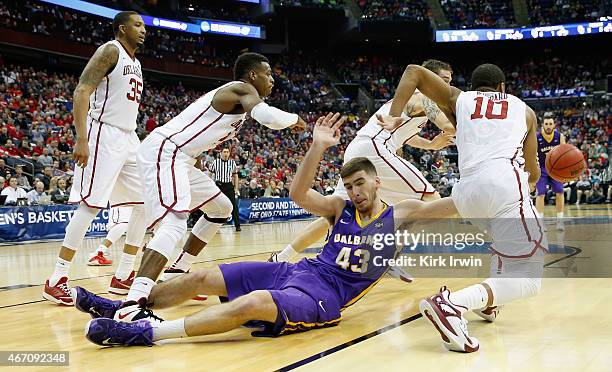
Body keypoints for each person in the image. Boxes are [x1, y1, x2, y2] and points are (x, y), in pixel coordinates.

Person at [74, 112, 458, 346]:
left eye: (362, 183)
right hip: (298, 271)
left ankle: (148, 333)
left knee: (253, 303)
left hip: (328, 296)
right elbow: (297, 193)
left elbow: (453, 205)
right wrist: (318, 147)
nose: (356, 191)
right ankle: (128, 308)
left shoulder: (402, 213)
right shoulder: (339, 207)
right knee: (202, 277)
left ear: (377, 182)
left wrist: (500, 184)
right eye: (351, 185)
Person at [105, 52, 306, 320]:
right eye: (268, 74)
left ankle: (179, 269)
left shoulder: (237, 101)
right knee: (174, 224)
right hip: (167, 151)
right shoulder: (241, 89)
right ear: (253, 75)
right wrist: (296, 119)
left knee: (222, 208)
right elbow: (268, 117)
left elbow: (200, 132)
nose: (272, 80)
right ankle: (133, 302)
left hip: (182, 158)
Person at [378, 63, 547, 352]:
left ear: (474, 86)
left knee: (504, 245)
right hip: (504, 185)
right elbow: (532, 172)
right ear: (503, 88)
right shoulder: (525, 111)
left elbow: (413, 72)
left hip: (466, 193)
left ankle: (489, 301)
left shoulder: (460, 98)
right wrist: (528, 186)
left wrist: (396, 118)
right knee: (529, 279)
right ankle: (452, 304)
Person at [270, 60, 455, 281]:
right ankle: (387, 257)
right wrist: (456, 125)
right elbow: (445, 122)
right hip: (375, 151)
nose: (447, 88)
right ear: (430, 79)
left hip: (359, 149)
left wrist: (432, 145)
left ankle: (281, 257)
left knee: (336, 213)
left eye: (450, 83)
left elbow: (405, 137)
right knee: (430, 199)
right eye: (444, 81)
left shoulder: (408, 102)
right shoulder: (422, 97)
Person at [43, 11, 148, 305]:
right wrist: (81, 137)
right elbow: (82, 91)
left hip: (129, 137)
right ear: (121, 28)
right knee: (90, 206)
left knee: (145, 203)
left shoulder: (136, 63)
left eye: (144, 26)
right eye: (137, 25)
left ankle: (124, 274)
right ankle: (56, 278)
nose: (143, 30)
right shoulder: (110, 50)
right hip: (103, 133)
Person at [535, 113, 566, 231]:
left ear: (554, 125)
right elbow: (533, 155)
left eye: (550, 124)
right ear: (542, 125)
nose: (548, 126)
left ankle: (560, 222)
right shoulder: (537, 137)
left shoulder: (559, 136)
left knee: (560, 192)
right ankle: (540, 223)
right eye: (546, 124)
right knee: (540, 194)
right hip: (541, 168)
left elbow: (564, 154)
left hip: (555, 169)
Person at [209, 147, 241, 231]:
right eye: (224, 152)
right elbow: (210, 174)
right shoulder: (215, 162)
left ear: (229, 153)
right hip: (218, 186)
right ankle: (214, 226)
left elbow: (235, 175)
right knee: (216, 206)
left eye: (227, 152)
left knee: (234, 206)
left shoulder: (232, 163)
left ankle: (238, 225)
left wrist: (236, 188)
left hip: (229, 186)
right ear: (221, 153)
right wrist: (209, 186)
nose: (226, 153)